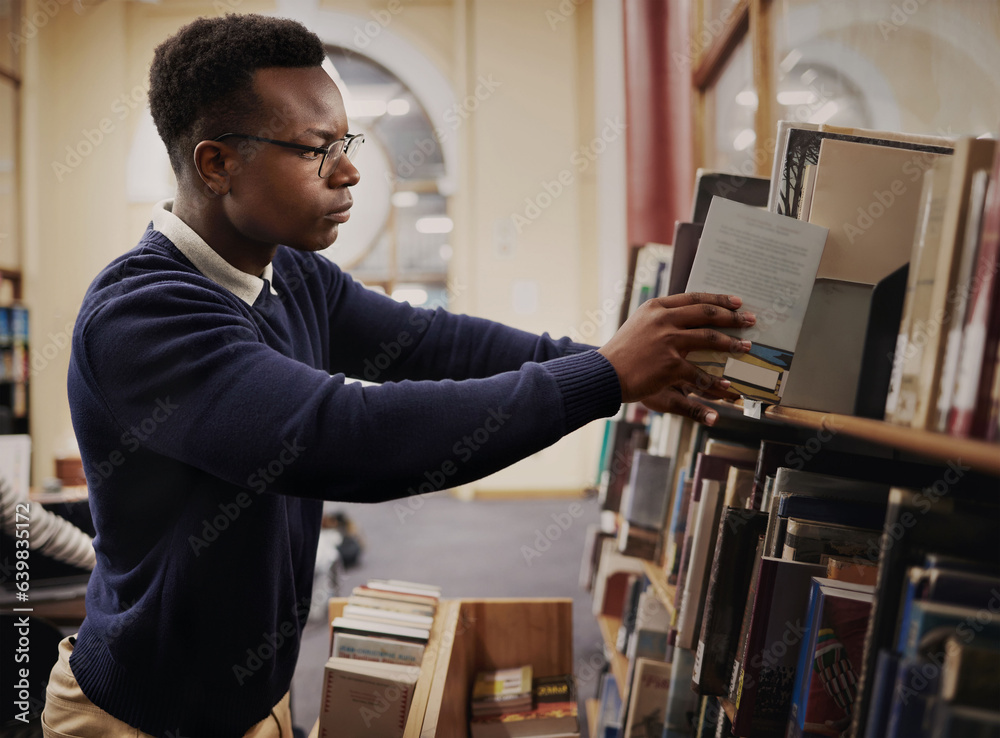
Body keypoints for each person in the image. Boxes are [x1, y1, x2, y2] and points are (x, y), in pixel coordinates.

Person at [41, 13, 755, 738]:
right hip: (135, 718)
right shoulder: (143, 316)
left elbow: (437, 344)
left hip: (256, 703)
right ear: (217, 164)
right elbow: (344, 437)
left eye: (345, 143)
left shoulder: (294, 275)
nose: (350, 170)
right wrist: (601, 377)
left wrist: (618, 360)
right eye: (318, 150)